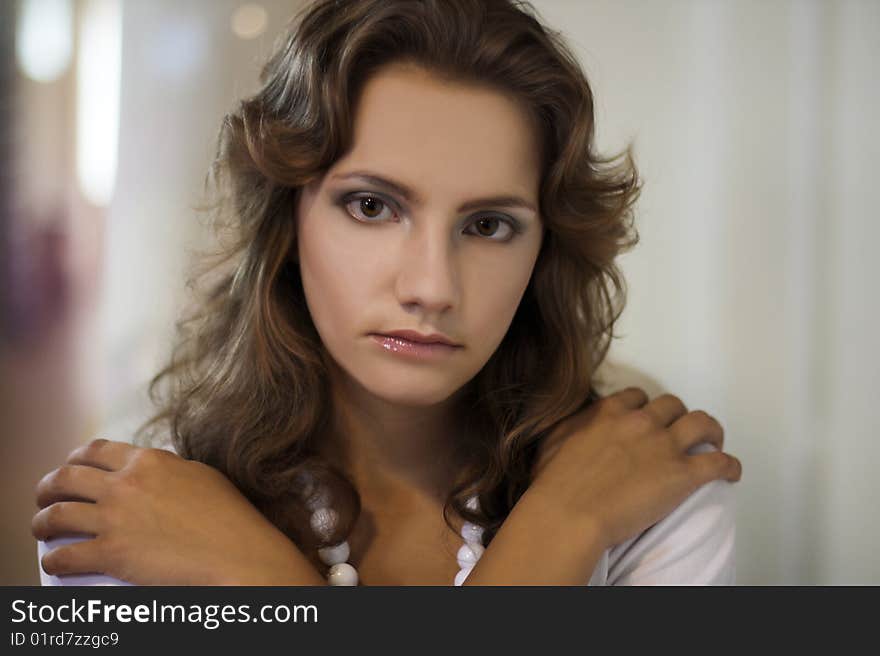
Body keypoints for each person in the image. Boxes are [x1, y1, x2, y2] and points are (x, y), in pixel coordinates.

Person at [32, 0, 742, 586]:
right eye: (372, 207)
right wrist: (561, 535)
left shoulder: (647, 497)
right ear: (287, 216)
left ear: (546, 248)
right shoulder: (135, 511)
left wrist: (259, 581)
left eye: (489, 225)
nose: (431, 287)